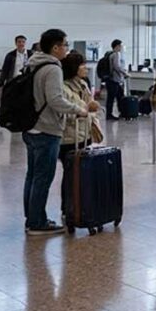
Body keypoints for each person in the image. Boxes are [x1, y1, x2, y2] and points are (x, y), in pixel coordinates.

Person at [23, 29, 88, 235]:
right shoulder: (52, 68)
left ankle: (31, 217)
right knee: (43, 177)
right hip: (46, 129)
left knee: (32, 176)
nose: (66, 49)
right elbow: (55, 99)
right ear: (55, 47)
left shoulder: (32, 63)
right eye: (65, 45)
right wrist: (78, 109)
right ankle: (37, 222)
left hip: (30, 127)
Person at [58, 52, 102, 217]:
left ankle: (81, 205)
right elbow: (64, 112)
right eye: (82, 65)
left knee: (82, 172)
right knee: (70, 173)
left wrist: (92, 106)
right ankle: (68, 207)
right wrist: (84, 110)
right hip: (69, 137)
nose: (85, 68)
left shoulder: (83, 84)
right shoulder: (62, 88)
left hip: (84, 134)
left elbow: (89, 105)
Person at [104, 40, 128, 121]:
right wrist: (125, 73)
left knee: (119, 96)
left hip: (113, 80)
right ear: (117, 46)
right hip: (114, 80)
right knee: (112, 98)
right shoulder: (116, 54)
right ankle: (109, 114)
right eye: (120, 46)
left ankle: (121, 112)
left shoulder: (110, 54)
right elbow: (117, 66)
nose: (121, 47)